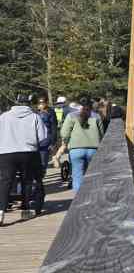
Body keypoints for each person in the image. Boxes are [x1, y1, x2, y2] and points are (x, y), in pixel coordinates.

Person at [0, 93, 49, 224]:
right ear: (28, 103)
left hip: (6, 152)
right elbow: (43, 137)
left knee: (5, 181)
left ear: (16, 103)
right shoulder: (35, 116)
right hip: (28, 152)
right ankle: (26, 209)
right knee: (27, 181)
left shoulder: (4, 117)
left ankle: (0, 211)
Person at [58, 97, 104, 193]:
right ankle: (92, 196)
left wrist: (65, 142)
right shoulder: (97, 116)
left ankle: (78, 198)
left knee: (77, 176)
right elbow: (101, 134)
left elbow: (64, 133)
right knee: (92, 176)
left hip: (76, 149)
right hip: (93, 149)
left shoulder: (71, 116)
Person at [37, 94, 58, 170]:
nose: (41, 104)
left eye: (43, 102)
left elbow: (54, 126)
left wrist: (53, 141)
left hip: (46, 139)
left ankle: (42, 173)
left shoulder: (50, 112)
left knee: (43, 159)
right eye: (40, 103)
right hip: (35, 139)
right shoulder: (35, 112)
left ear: (46, 103)